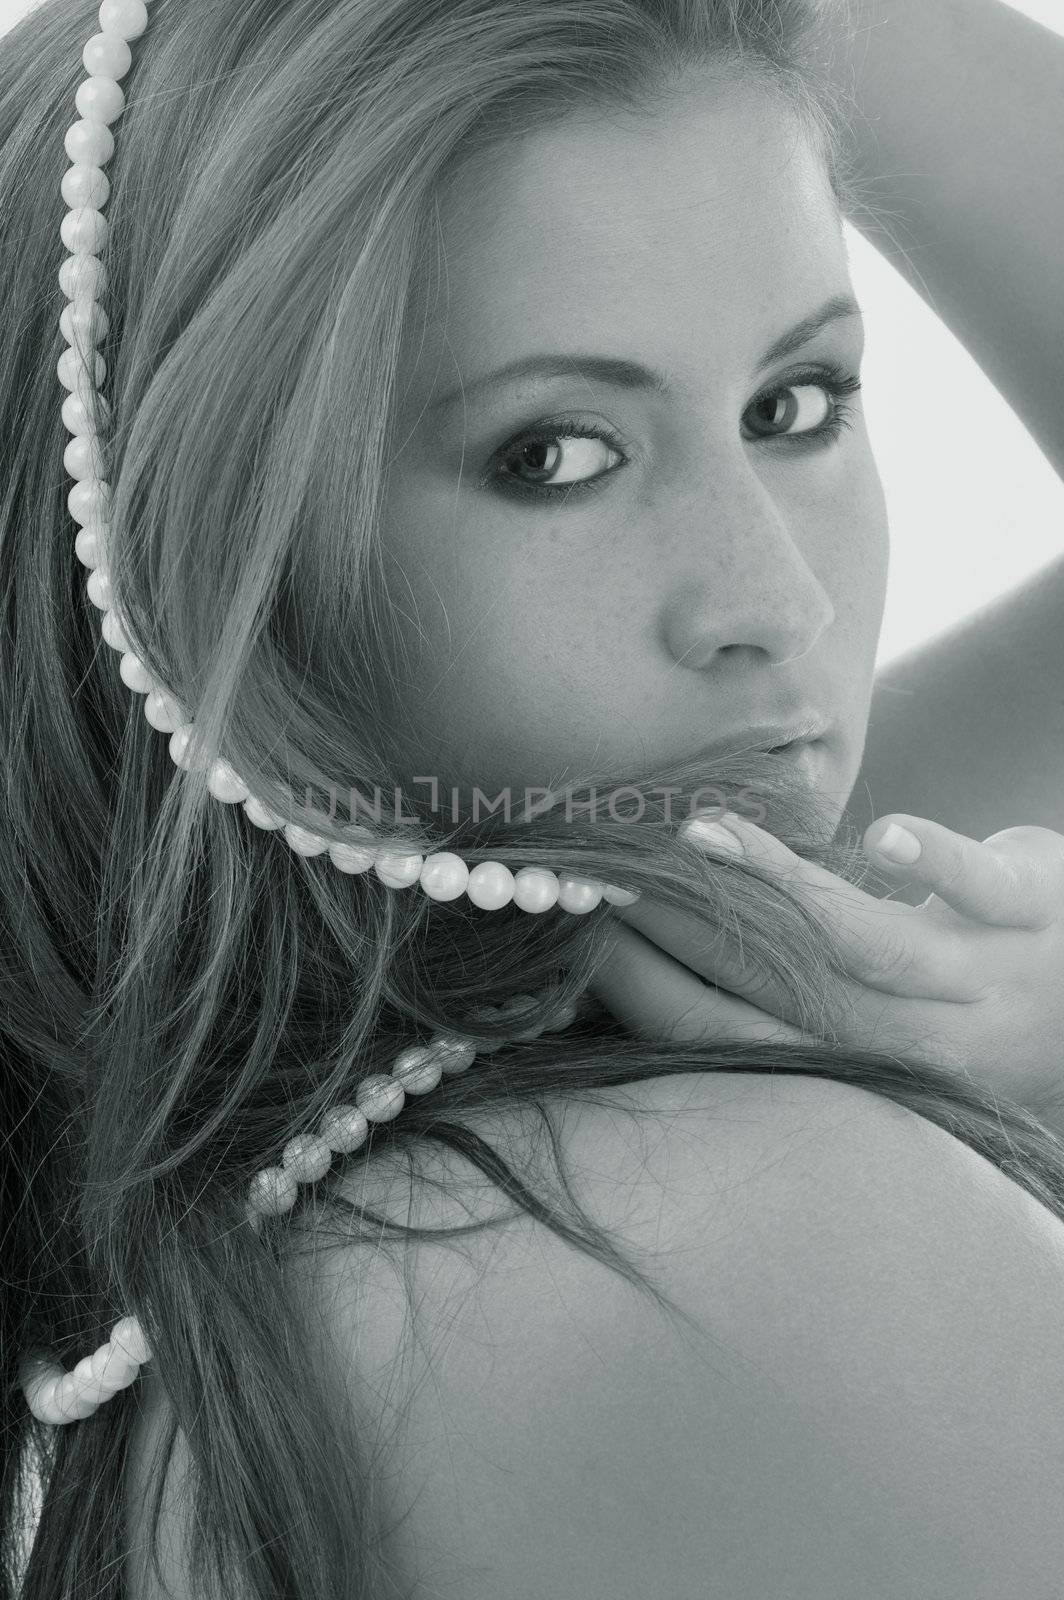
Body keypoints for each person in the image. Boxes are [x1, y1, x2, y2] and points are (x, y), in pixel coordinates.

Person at [2, 0, 1063, 1596]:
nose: (774, 603)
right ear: (204, 562)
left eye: (797, 406)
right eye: (553, 456)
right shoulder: (751, 1245)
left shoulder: (173, 1297)